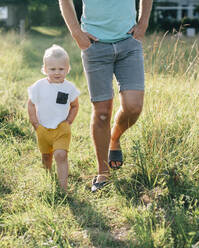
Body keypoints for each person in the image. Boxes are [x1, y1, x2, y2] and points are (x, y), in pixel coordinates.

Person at [59, 0, 152, 192]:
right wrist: (77, 33)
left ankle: (114, 138)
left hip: (129, 42)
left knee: (133, 106)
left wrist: (143, 23)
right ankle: (103, 173)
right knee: (102, 113)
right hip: (95, 46)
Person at [27, 44, 80, 191]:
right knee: (46, 157)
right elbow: (31, 104)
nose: (57, 73)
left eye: (61, 69)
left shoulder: (69, 88)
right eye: (52, 69)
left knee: (60, 155)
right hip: (43, 129)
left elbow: (75, 105)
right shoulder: (39, 86)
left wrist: (69, 121)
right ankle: (48, 180)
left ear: (67, 69)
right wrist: (35, 123)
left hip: (61, 129)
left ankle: (63, 189)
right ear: (45, 69)